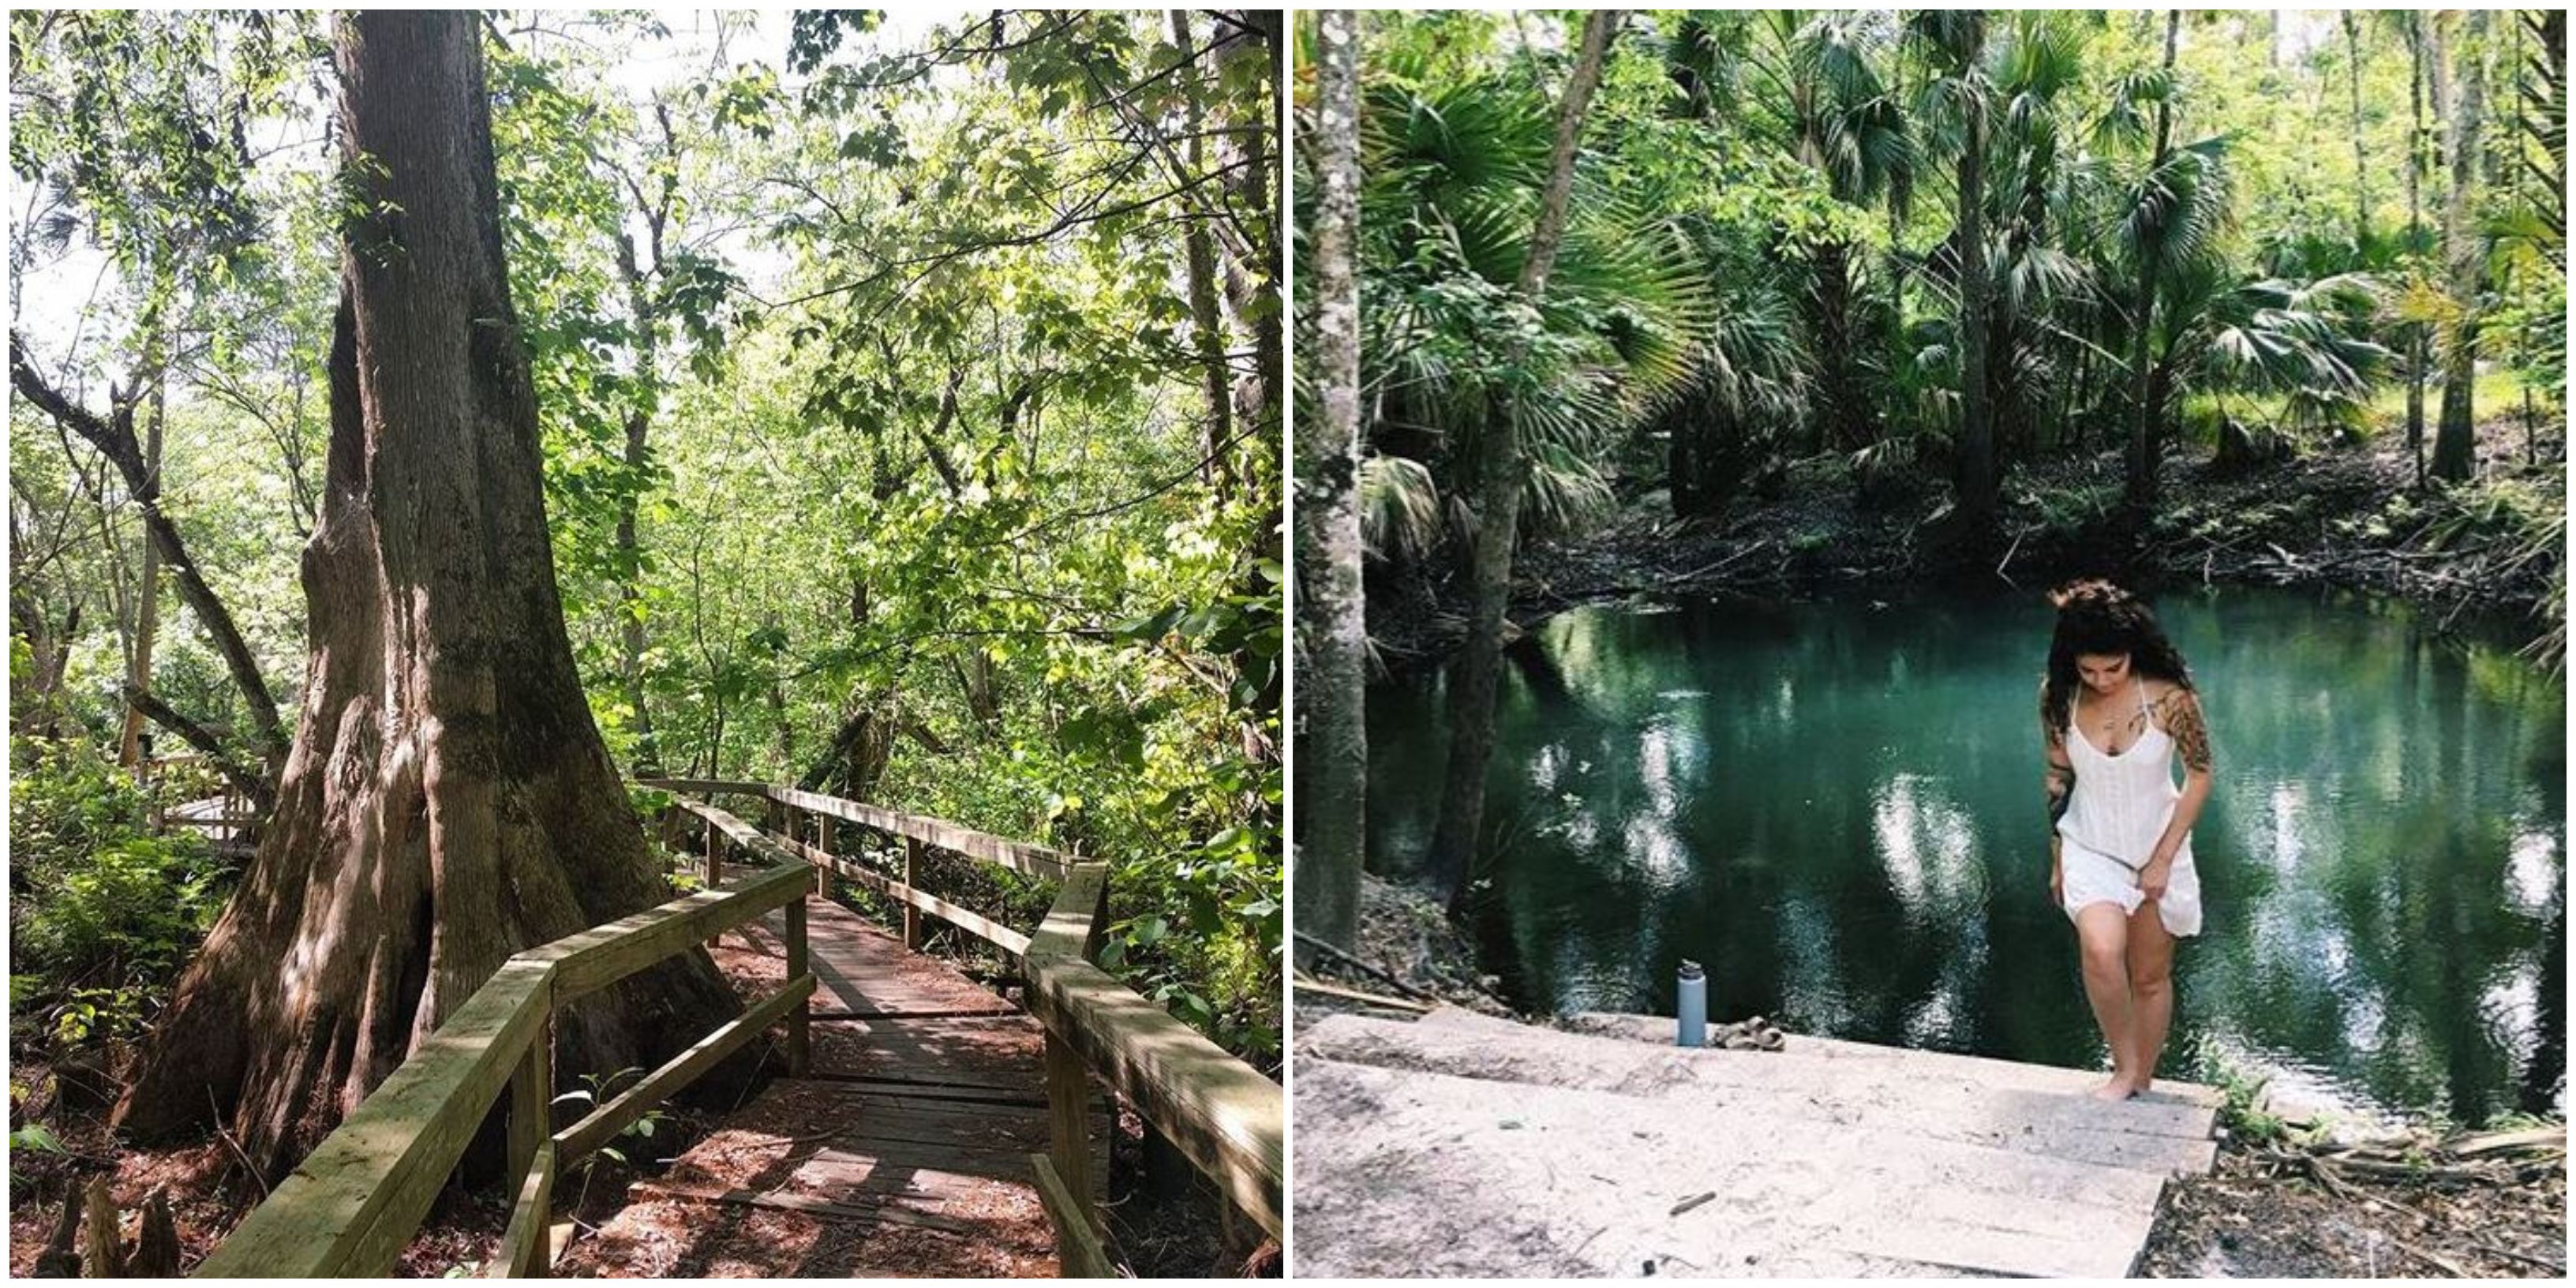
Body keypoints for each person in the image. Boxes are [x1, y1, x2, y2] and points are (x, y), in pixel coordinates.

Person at [2040, 580, 2213, 1101]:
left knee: (2150, 976)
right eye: (2088, 670)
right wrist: (2058, 858)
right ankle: (2122, 1067)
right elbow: (2056, 779)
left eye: (2112, 668)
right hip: (2090, 844)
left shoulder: (2170, 699)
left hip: (2159, 846)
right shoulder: (2057, 697)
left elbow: (2200, 776)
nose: (2101, 680)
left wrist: (2162, 861)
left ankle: (2141, 1079)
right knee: (2099, 949)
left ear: (2131, 653)